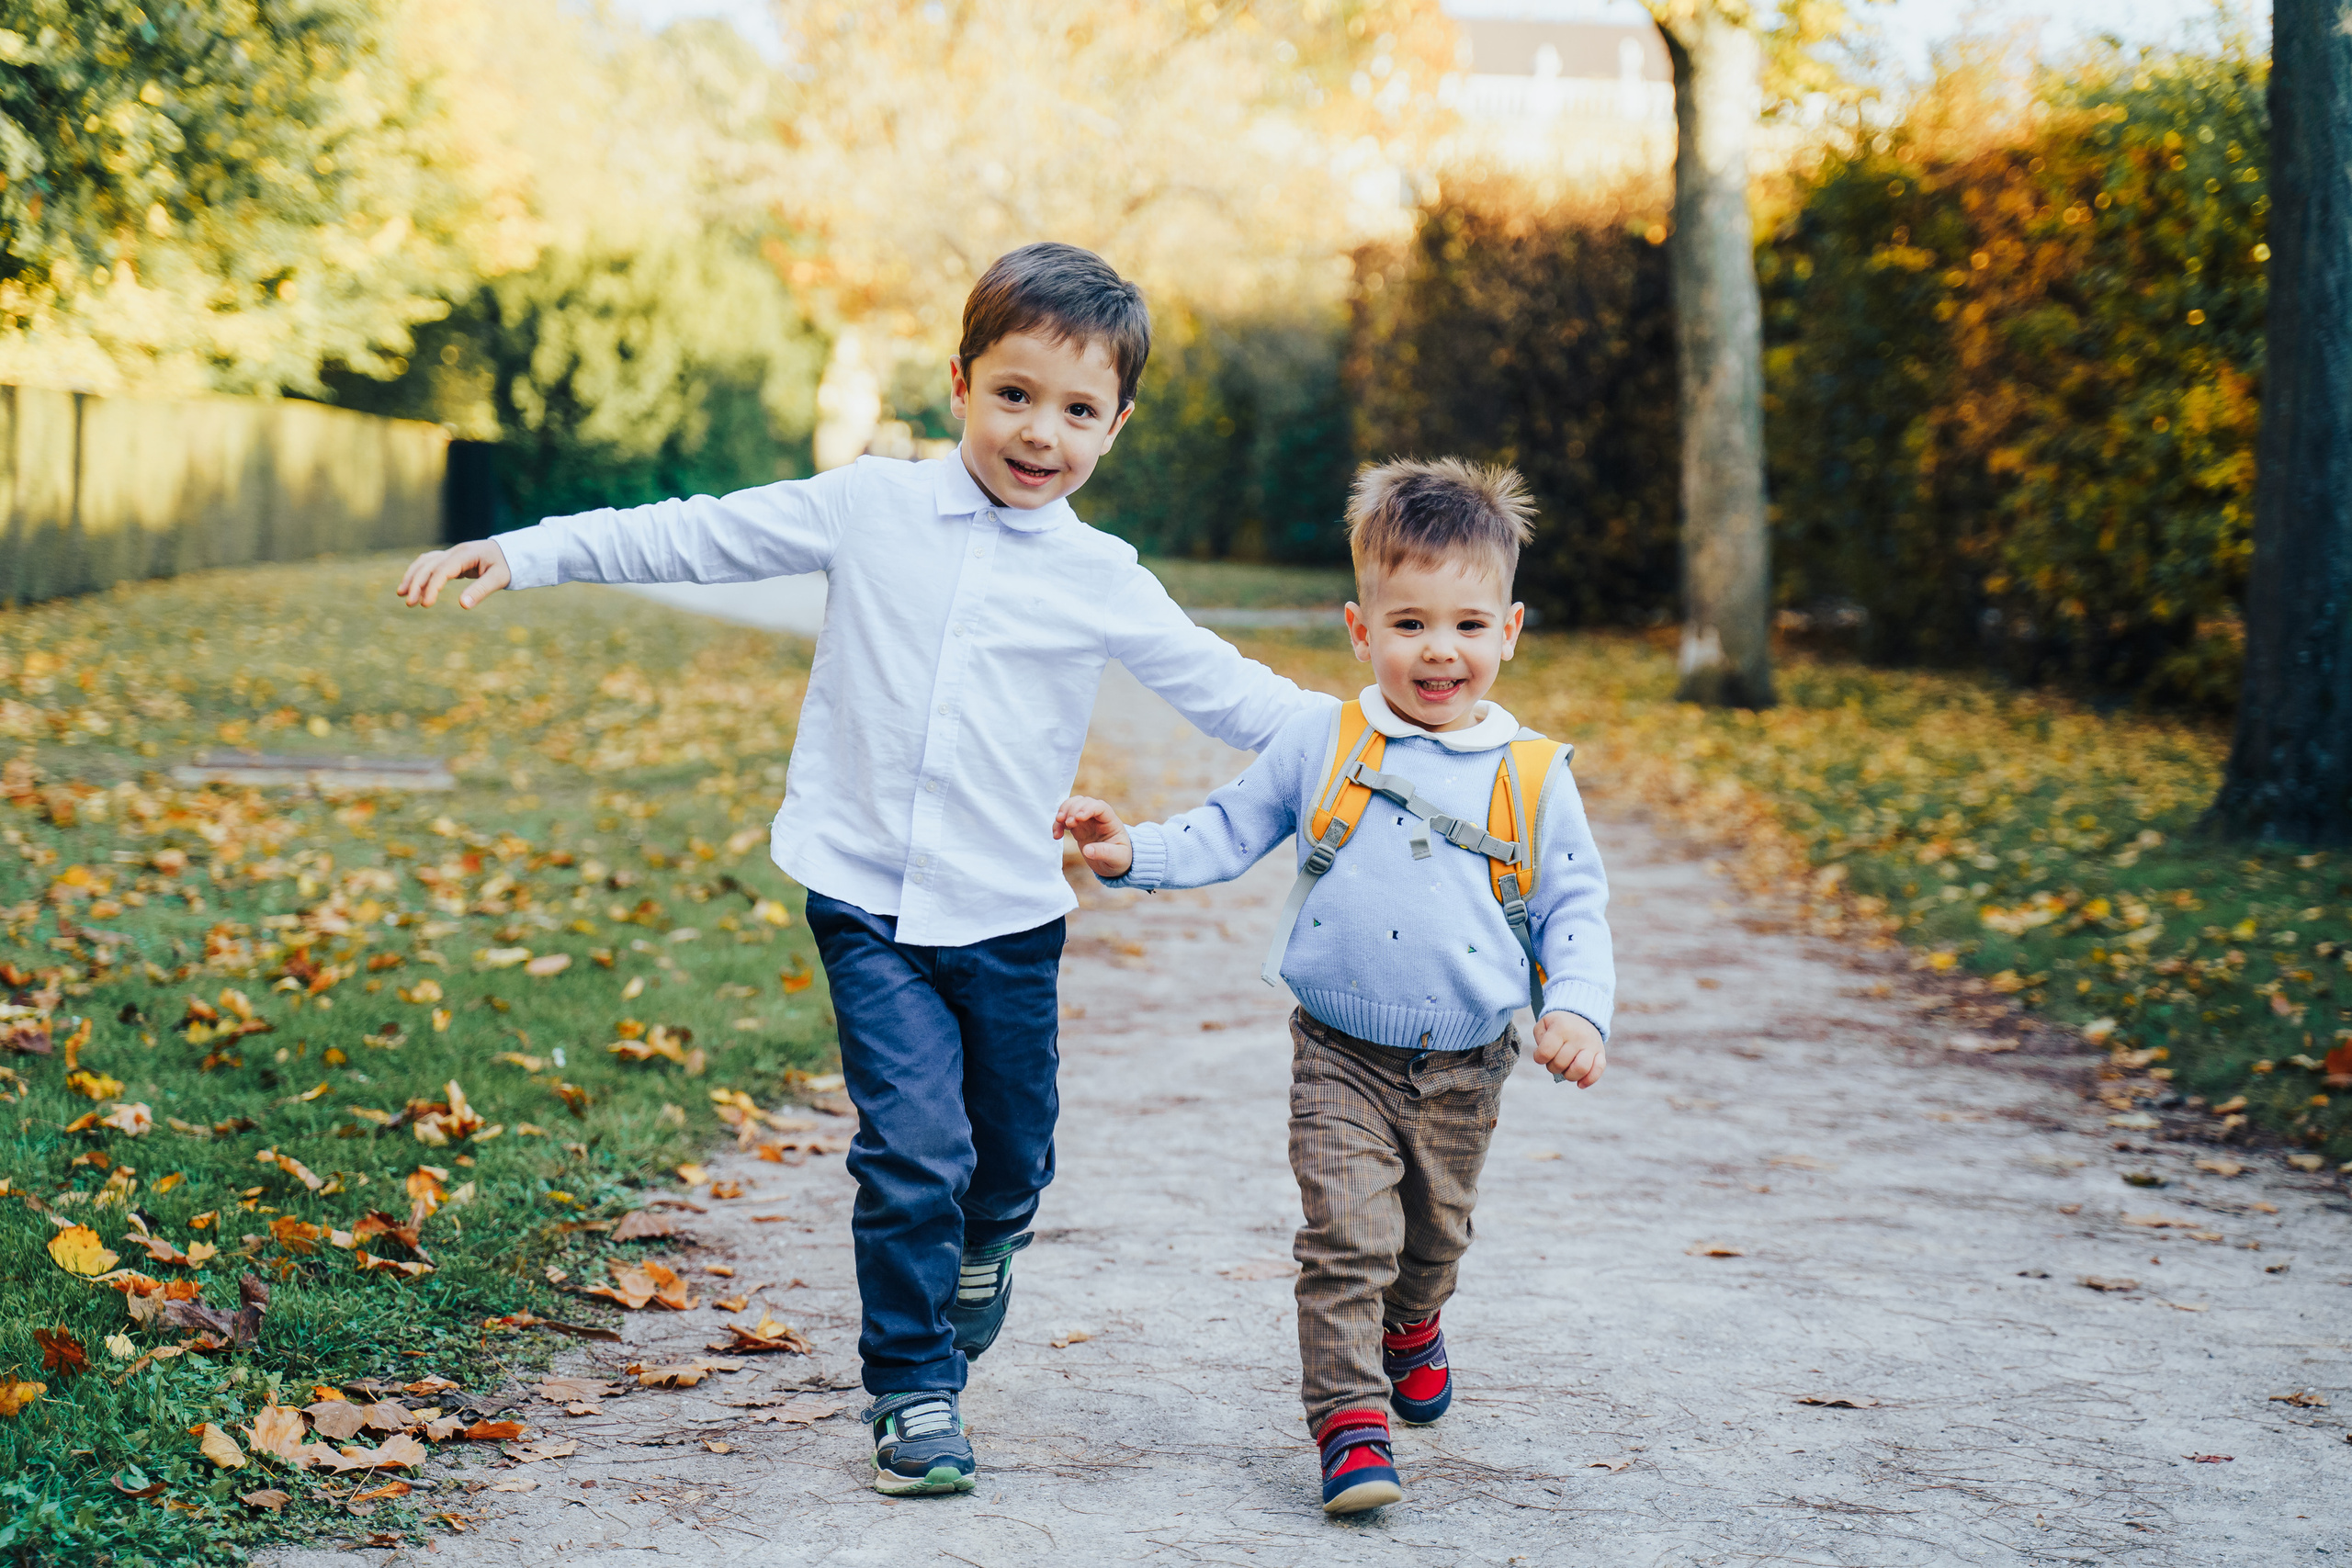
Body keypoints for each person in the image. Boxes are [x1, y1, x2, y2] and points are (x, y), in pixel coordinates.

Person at [393, 243, 1316, 1496]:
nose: (1041, 431)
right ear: (957, 383)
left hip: (1007, 914)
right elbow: (696, 536)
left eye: (1078, 409)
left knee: (1008, 1161)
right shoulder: (869, 507)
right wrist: (534, 549)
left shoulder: (1102, 578)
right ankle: (913, 1387)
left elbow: (1232, 691)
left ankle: (989, 1242)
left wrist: (1379, 738)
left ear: (1117, 423)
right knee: (911, 1149)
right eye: (1014, 394)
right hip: (865, 896)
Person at [1054, 457, 1613, 1516]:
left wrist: (1576, 1006)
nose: (1437, 650)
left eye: (1465, 624)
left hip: (1467, 1063)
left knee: (1432, 1240)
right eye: (1407, 624)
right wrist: (1132, 854)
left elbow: (1571, 910)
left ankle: (1416, 1321)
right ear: (1360, 630)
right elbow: (1227, 828)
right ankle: (1350, 1427)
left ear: (1510, 630)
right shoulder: (1324, 740)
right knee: (1344, 1240)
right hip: (1339, 1052)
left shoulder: (1533, 773)